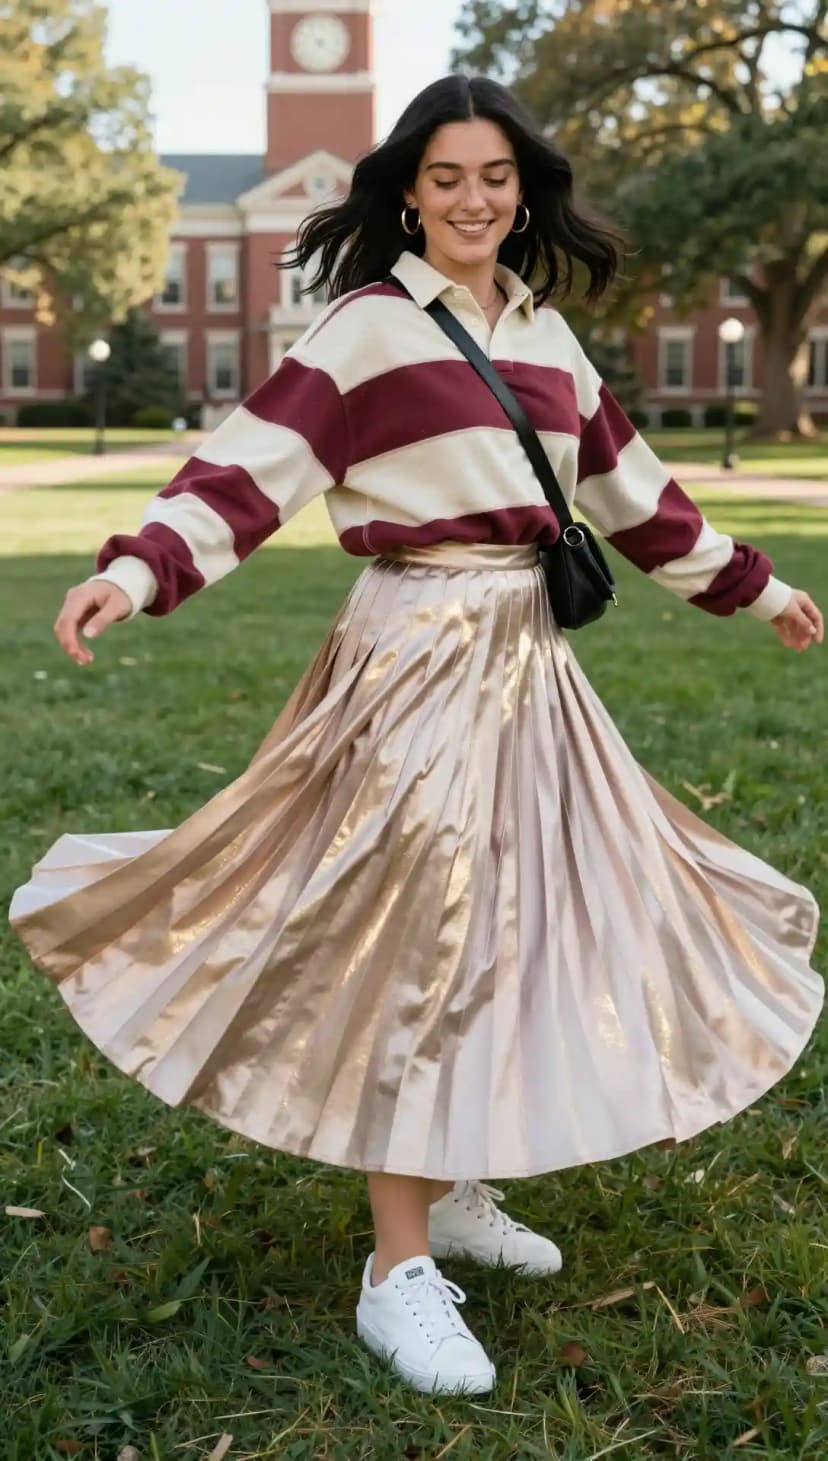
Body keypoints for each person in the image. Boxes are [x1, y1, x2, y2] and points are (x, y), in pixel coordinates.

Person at [10, 75, 824, 1399]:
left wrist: (765, 588)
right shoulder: (366, 331)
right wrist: (138, 568)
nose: (472, 200)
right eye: (446, 178)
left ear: (523, 191)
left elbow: (639, 497)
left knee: (512, 920)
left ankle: (449, 1189)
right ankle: (397, 1269)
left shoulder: (548, 336)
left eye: (494, 178)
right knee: (416, 935)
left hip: (530, 666)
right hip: (412, 657)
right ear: (406, 191)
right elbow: (247, 467)